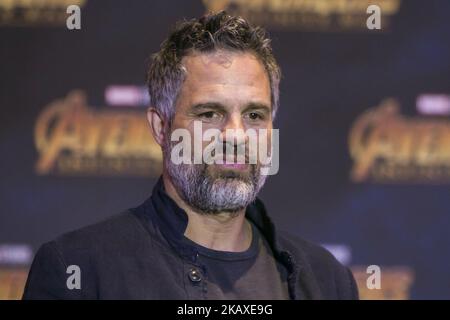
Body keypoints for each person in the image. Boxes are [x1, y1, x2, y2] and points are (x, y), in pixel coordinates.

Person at [23, 11, 358, 300]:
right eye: (210, 114)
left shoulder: (327, 281)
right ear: (160, 127)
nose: (236, 136)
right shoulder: (78, 270)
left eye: (255, 116)